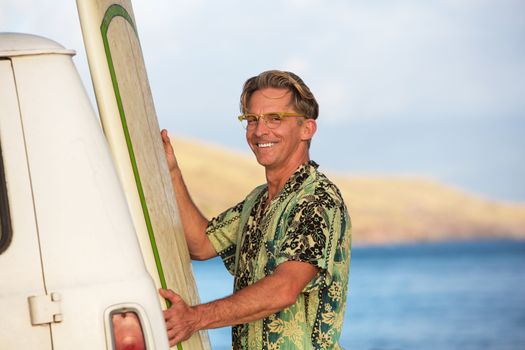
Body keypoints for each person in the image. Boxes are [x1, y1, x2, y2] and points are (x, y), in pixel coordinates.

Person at [159, 70, 351, 349]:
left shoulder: (316, 199)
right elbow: (201, 244)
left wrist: (195, 318)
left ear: (307, 129)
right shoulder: (258, 201)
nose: (260, 131)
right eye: (252, 119)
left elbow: (284, 288)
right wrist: (172, 172)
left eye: (275, 118)